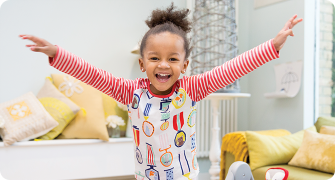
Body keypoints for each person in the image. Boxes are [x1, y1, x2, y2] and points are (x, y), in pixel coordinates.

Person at [19, 3, 302, 180]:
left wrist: (272, 46)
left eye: (172, 59)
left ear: (185, 64)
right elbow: (92, 74)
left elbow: (232, 68)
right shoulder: (130, 92)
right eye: (154, 58)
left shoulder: (192, 88)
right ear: (142, 64)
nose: (163, 65)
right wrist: (57, 53)